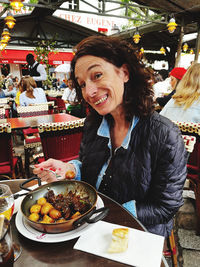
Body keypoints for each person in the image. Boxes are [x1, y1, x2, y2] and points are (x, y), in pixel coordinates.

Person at [33, 35, 187, 237]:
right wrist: (70, 169)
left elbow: (165, 206)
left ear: (124, 72)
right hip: (92, 225)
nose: (89, 92)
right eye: (81, 84)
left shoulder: (166, 136)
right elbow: (93, 168)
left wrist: (110, 214)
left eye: (96, 75)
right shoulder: (93, 123)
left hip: (137, 231)